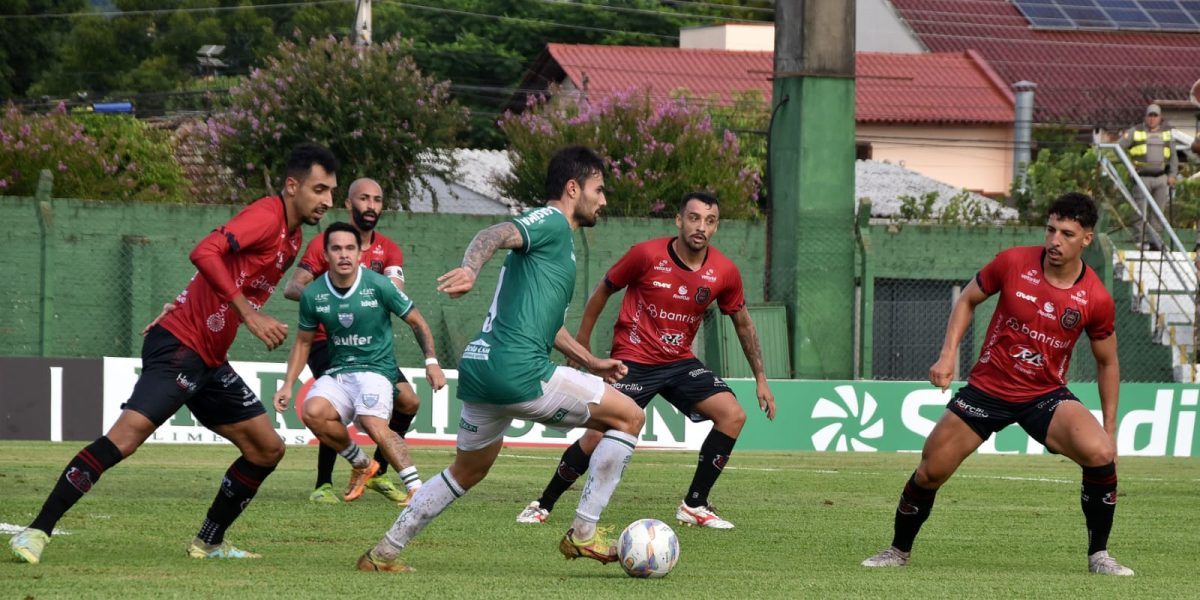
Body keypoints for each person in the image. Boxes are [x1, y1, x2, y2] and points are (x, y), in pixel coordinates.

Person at [9, 143, 338, 564]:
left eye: (330, 191)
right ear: (293, 186)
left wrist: (185, 300)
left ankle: (209, 542)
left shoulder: (292, 238)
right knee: (125, 439)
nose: (327, 201)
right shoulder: (266, 216)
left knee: (267, 449)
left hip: (208, 360)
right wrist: (249, 316)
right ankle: (35, 531)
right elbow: (204, 251)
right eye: (319, 189)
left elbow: (221, 275)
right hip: (181, 347)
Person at [355, 145, 646, 573]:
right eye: (598, 189)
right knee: (630, 418)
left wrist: (591, 361)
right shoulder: (550, 221)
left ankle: (382, 554)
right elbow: (493, 234)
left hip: (482, 368)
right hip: (518, 371)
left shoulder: (556, 245)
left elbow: (549, 327)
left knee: (465, 472)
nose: (603, 200)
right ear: (572, 188)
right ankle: (583, 533)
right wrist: (471, 268)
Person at [861, 192, 1134, 576]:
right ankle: (897, 550)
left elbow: (1108, 363)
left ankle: (1099, 555)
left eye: (1067, 234)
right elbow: (967, 301)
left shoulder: (1096, 298)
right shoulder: (1013, 262)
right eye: (1051, 230)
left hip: (1044, 395)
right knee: (930, 471)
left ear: (1086, 239)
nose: (1055, 240)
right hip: (988, 390)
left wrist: (1110, 429)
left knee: (1101, 454)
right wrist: (947, 354)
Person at [516, 191, 776, 530]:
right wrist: (581, 347)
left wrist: (761, 377)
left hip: (680, 362)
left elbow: (743, 323)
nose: (701, 227)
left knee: (732, 415)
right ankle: (544, 503)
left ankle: (694, 505)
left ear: (716, 227)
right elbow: (603, 291)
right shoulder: (646, 255)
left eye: (710, 221)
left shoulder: (724, 271)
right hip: (633, 359)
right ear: (679, 220)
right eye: (694, 218)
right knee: (597, 436)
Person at [272, 222, 446, 509]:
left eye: (350, 248)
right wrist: (288, 384)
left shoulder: (379, 286)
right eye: (336, 248)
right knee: (312, 412)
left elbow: (417, 321)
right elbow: (303, 343)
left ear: (361, 252)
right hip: (340, 370)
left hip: (377, 368)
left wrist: (432, 362)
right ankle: (362, 463)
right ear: (325, 254)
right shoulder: (314, 294)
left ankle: (417, 488)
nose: (343, 255)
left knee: (373, 421)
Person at [1118, 103, 1178, 250]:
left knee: (1159, 211)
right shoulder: (1135, 131)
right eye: (1150, 115)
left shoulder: (1167, 133)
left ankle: (1155, 241)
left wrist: (1172, 174)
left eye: (1155, 116)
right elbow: (1118, 147)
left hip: (1161, 177)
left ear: (1160, 117)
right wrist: (1129, 167)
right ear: (1146, 117)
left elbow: (1173, 157)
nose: (1152, 119)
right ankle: (1140, 239)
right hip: (1142, 177)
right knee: (1140, 210)